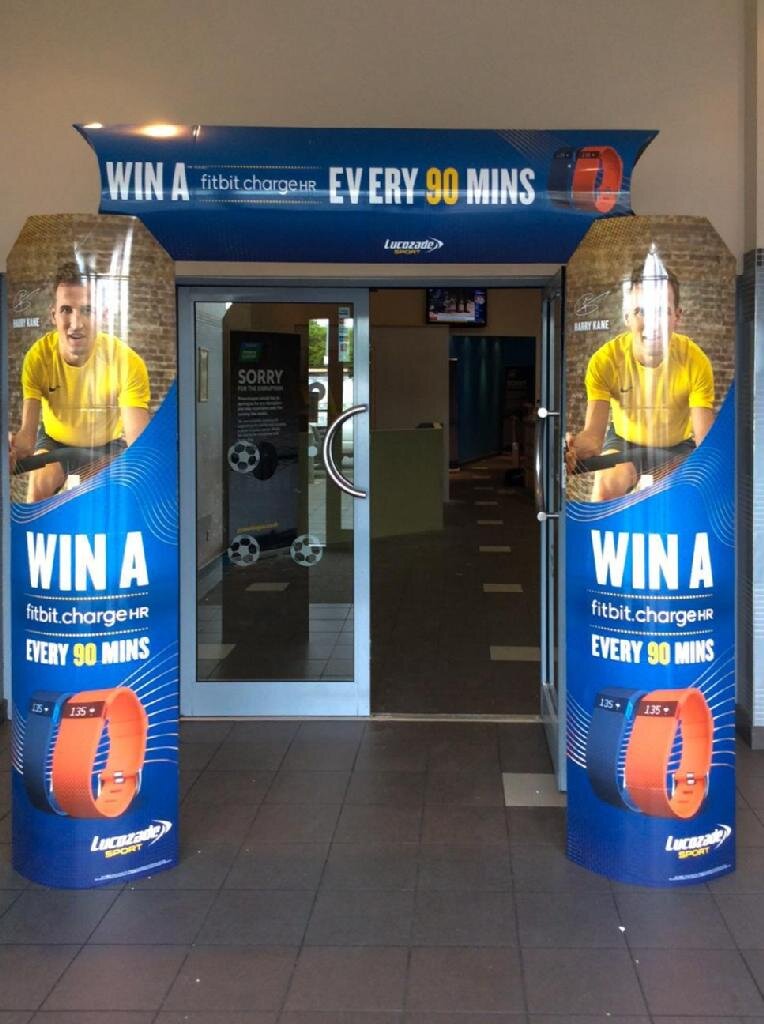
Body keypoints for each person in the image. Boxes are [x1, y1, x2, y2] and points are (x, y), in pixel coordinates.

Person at [566, 263, 714, 501]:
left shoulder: (695, 360)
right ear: (627, 316)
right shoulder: (605, 360)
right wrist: (573, 450)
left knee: (677, 494)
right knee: (606, 485)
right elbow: (593, 438)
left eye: (661, 311)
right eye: (641, 311)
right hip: (625, 442)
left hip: (676, 445)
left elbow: (705, 439)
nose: (652, 323)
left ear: (677, 316)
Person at [9, 263, 151, 501]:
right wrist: (13, 449)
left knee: (87, 496)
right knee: (37, 492)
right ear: (54, 316)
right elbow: (27, 439)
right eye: (66, 310)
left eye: (87, 310)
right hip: (55, 443)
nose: (76, 324)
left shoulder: (126, 361)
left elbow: (139, 444)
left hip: (105, 446)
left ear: (103, 315)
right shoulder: (38, 357)